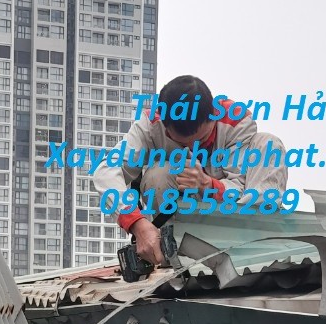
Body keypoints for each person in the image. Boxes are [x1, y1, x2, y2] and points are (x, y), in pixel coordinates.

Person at [92, 75, 287, 266]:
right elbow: (105, 172)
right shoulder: (150, 126)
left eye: (202, 140)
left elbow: (241, 191)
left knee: (268, 143)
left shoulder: (236, 122)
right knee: (158, 173)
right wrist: (137, 224)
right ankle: (171, 251)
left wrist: (207, 185)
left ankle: (257, 242)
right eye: (182, 143)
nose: (194, 149)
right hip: (182, 222)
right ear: (165, 128)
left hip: (235, 221)